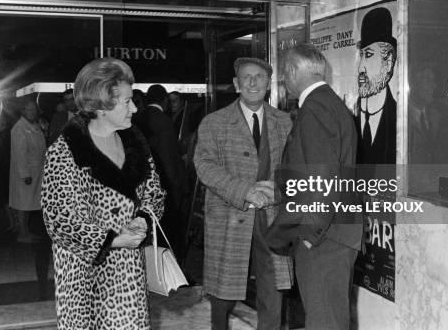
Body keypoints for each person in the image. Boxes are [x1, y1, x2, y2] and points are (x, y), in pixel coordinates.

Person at [41, 58, 166, 329]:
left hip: (127, 276)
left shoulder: (136, 143)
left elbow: (155, 192)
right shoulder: (65, 152)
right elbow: (59, 220)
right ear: (101, 105)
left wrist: (144, 218)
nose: (134, 108)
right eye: (126, 102)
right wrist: (113, 240)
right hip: (83, 278)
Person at [266, 44, 362, 330]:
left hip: (324, 236)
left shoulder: (316, 107)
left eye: (284, 73)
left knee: (324, 320)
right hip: (333, 232)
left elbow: (324, 179)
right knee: (328, 315)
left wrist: (310, 234)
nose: (283, 80)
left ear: (294, 71)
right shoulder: (328, 103)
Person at [194, 57, 294, 330]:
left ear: (269, 84)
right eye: (246, 77)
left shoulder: (285, 122)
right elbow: (204, 167)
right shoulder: (214, 123)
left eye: (259, 77)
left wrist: (278, 189)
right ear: (236, 84)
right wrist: (245, 191)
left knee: (274, 287)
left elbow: (295, 167)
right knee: (223, 294)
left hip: (272, 217)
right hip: (229, 216)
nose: (253, 82)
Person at [137, 84, 188, 261]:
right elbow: (169, 157)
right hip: (164, 184)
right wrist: (177, 189)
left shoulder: (138, 118)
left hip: (143, 184)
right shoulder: (163, 120)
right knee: (169, 232)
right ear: (164, 100)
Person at [355, 7, 397, 164]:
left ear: (388, 61)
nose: (361, 68)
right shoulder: (350, 115)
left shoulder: (399, 119)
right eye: (361, 55)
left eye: (369, 55)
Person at [9, 100, 47, 243]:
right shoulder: (19, 128)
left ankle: (26, 232)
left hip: (36, 171)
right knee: (23, 204)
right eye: (29, 110)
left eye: (34, 110)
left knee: (29, 203)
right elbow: (20, 153)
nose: (32, 112)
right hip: (26, 174)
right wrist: (25, 174)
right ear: (23, 111)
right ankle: (22, 234)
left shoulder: (34, 126)